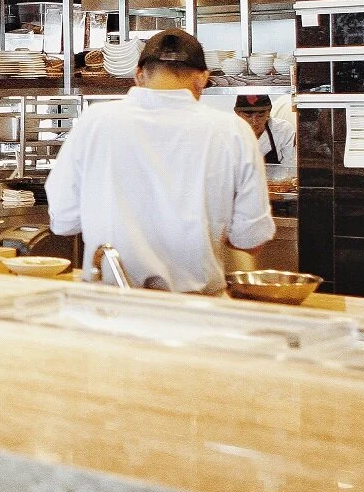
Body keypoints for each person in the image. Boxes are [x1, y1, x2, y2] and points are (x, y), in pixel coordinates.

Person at [45, 29, 275, 294]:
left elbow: (64, 221)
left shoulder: (95, 121)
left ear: (139, 75)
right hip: (197, 307)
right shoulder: (233, 131)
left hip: (109, 304)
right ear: (203, 78)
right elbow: (251, 241)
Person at [234, 94, 297, 169]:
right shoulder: (229, 133)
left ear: (269, 112)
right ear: (237, 113)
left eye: (260, 115)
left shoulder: (283, 130)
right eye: (248, 116)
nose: (254, 121)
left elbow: (290, 168)